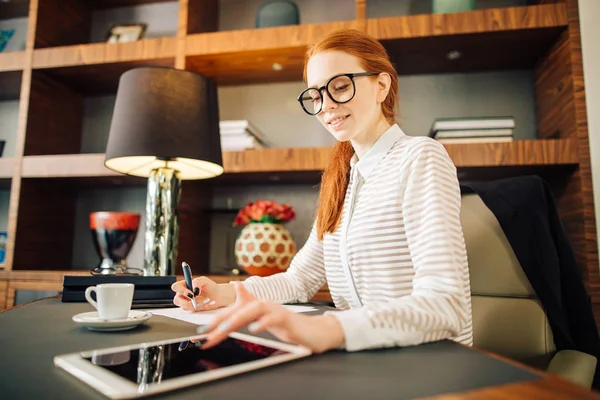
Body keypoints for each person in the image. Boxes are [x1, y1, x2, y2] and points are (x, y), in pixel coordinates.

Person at [172, 28, 473, 354]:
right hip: (367, 358)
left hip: (427, 360)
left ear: (381, 86)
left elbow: (447, 304)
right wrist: (224, 293)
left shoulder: (420, 156)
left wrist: (329, 328)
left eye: (340, 87)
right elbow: (299, 280)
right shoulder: (341, 179)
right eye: (315, 96)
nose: (326, 105)